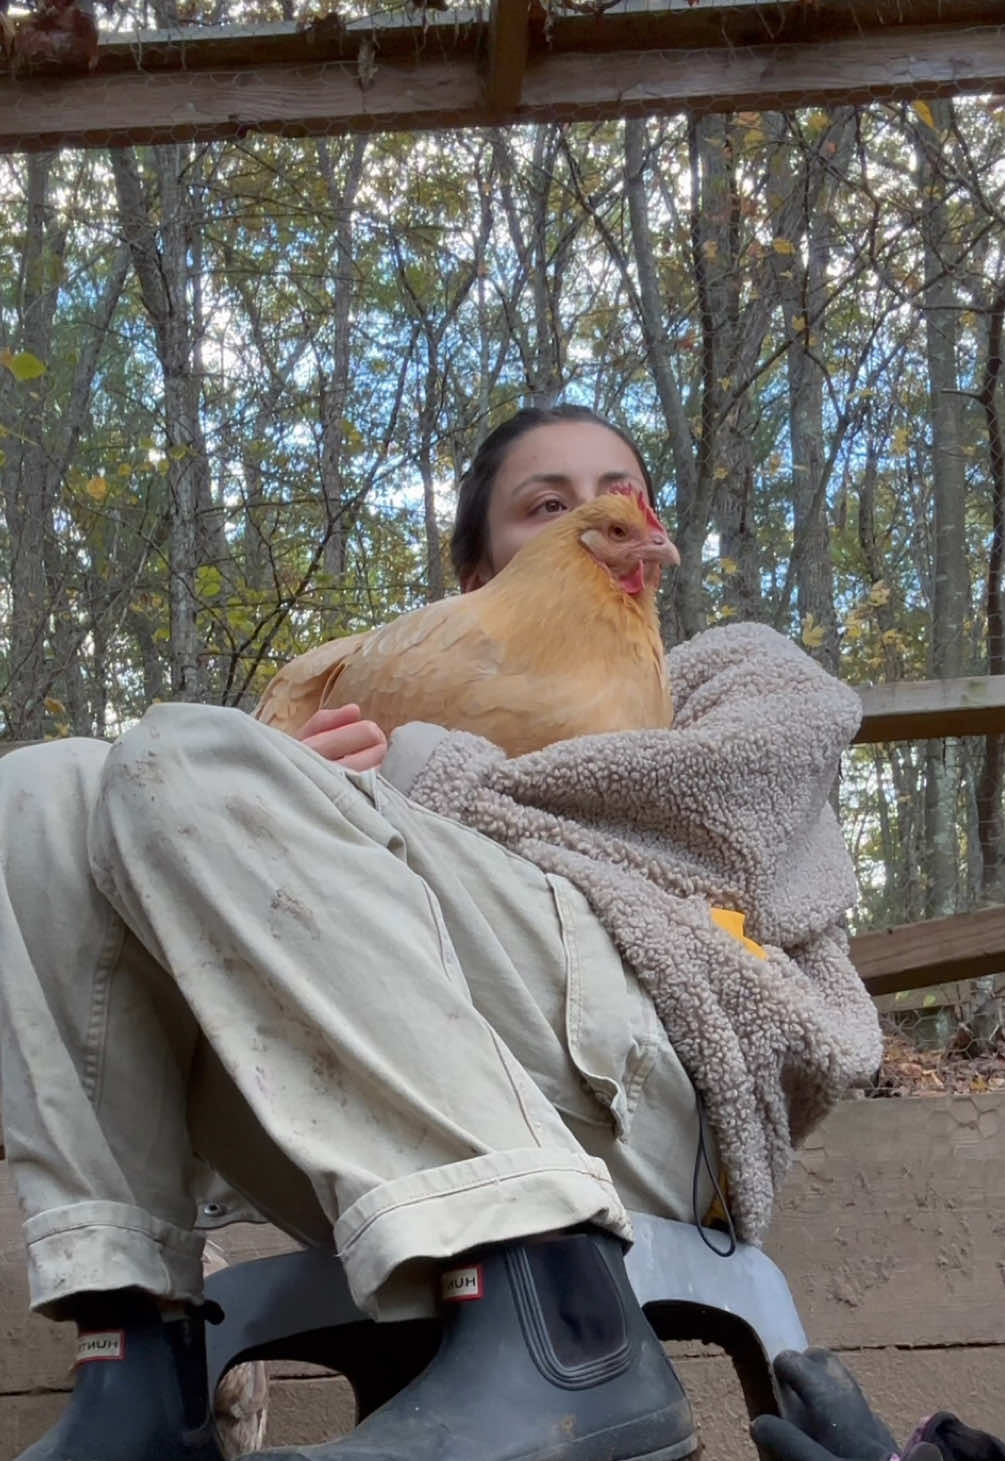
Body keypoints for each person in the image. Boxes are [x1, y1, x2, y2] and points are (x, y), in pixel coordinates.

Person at [0, 404, 880, 1461]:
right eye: (547, 505)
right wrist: (273, 826)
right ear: (477, 572)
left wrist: (393, 787)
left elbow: (719, 820)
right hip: (368, 1122)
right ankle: (134, 1359)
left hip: (640, 1089)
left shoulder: (728, 673)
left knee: (190, 756)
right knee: (44, 791)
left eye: (622, 496)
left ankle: (563, 1334)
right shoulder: (412, 665)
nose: (599, 519)